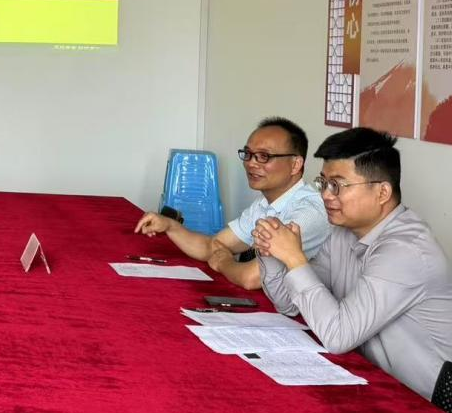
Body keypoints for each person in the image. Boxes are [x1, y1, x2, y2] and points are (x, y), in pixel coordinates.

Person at [254, 127, 452, 399]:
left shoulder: (406, 251)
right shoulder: (342, 234)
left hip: (433, 409)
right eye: (323, 183)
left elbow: (337, 337)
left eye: (337, 185)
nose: (326, 195)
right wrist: (270, 250)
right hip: (378, 387)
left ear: (382, 192)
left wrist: (294, 258)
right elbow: (289, 305)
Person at [134, 117, 329, 288]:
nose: (251, 163)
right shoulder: (264, 203)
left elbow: (252, 278)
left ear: (295, 164)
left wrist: (223, 263)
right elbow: (213, 244)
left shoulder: (309, 211)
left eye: (264, 156)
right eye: (248, 154)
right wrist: (170, 226)